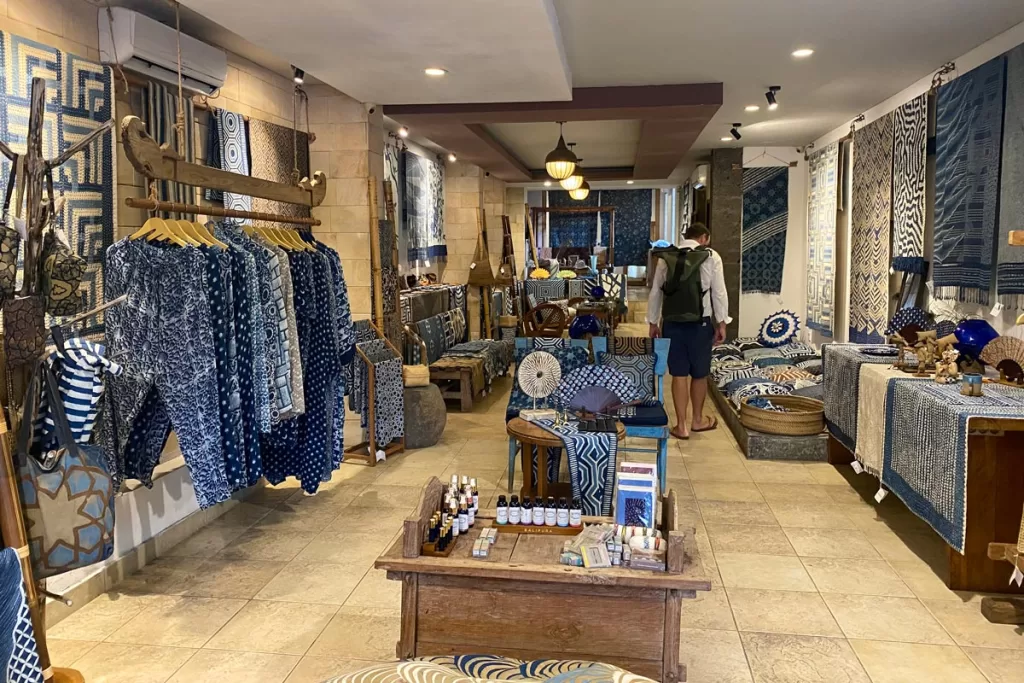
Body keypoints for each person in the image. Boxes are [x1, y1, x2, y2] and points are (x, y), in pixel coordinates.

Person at [646, 223, 730, 439]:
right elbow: (719, 292)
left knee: (679, 374)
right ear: (704, 237)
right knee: (700, 374)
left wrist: (653, 322)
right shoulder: (711, 256)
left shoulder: (668, 256)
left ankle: (681, 425)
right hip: (700, 323)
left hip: (672, 323)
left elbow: (656, 291)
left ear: (685, 237)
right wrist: (722, 322)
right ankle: (698, 420)